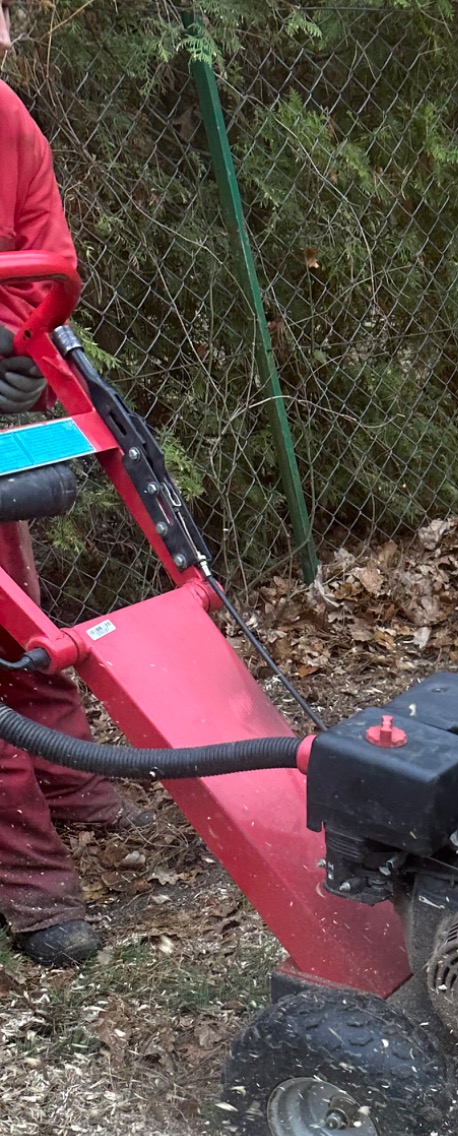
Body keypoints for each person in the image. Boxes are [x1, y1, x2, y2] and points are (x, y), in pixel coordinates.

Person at [0, 2, 146, 968]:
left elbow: (44, 256)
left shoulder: (12, 125)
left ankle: (70, 776)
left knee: (20, 605)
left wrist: (13, 340)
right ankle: (30, 882)